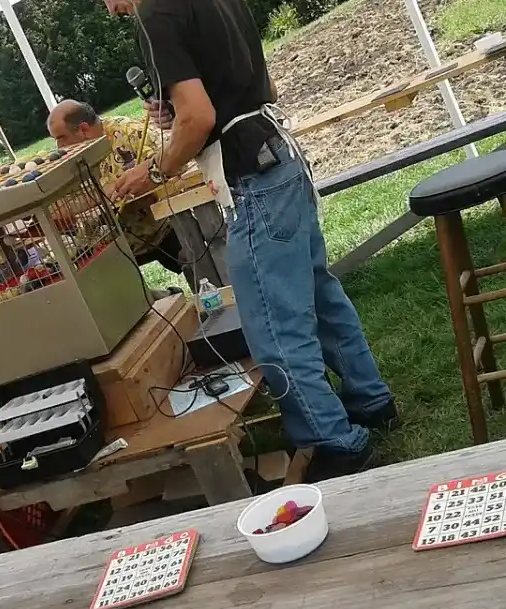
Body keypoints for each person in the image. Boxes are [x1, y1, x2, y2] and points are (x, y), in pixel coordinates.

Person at [105, 0, 397, 481]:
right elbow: (254, 87)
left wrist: (154, 170)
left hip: (251, 175)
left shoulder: (155, 14)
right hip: (278, 155)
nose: (110, 9)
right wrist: (177, 112)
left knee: (274, 326)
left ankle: (334, 441)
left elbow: (198, 119)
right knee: (320, 296)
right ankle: (370, 401)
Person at [46, 100, 191, 289]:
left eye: (61, 137)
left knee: (195, 263)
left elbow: (178, 162)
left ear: (83, 129)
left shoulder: (129, 132)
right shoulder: (71, 158)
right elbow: (65, 205)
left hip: (164, 226)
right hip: (119, 241)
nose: (59, 147)